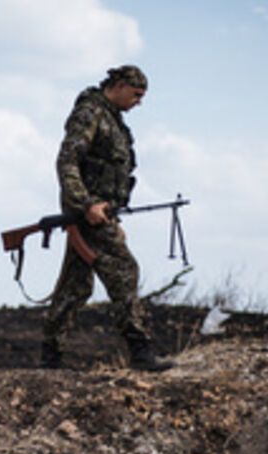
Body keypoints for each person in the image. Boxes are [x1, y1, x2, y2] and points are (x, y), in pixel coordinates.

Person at [41, 65, 172, 372]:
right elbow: (67, 161)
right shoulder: (90, 113)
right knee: (124, 270)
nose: (139, 102)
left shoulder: (112, 119)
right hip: (88, 213)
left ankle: (50, 356)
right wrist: (85, 204)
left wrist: (113, 219)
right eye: (136, 94)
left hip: (100, 215)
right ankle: (140, 352)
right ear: (120, 85)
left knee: (75, 287)